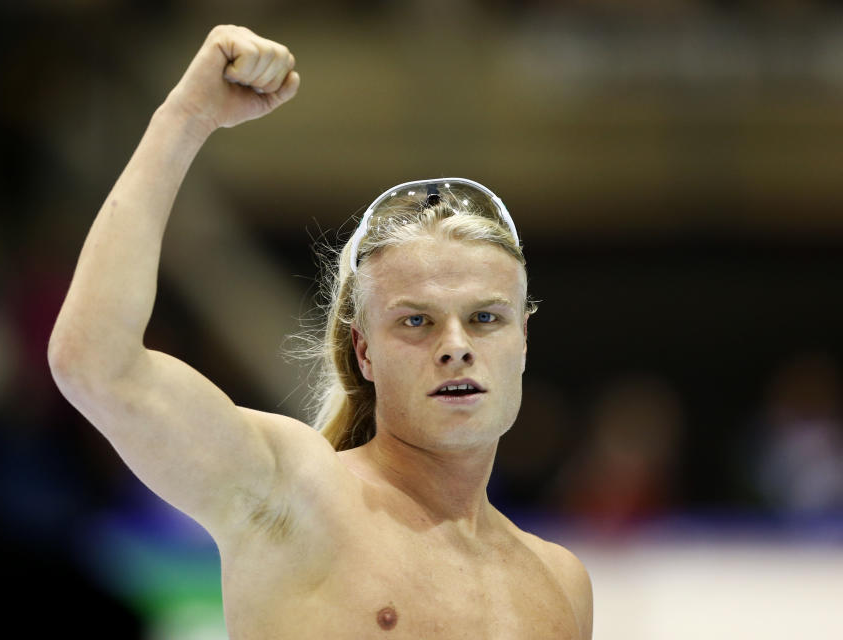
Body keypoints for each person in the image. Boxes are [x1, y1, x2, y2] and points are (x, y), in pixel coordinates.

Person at [48, 24, 593, 638]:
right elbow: (95, 362)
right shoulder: (294, 494)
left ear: (524, 337)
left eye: (485, 318)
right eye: (416, 321)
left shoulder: (559, 582)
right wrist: (187, 117)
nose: (456, 346)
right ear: (363, 349)